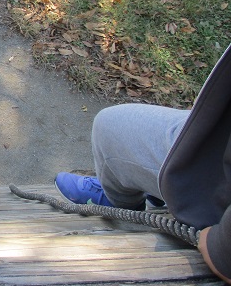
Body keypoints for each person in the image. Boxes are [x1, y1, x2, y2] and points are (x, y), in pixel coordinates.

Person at [55, 44, 231, 284]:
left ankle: (120, 203)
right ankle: (154, 192)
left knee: (108, 126)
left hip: (214, 180)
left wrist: (222, 247)